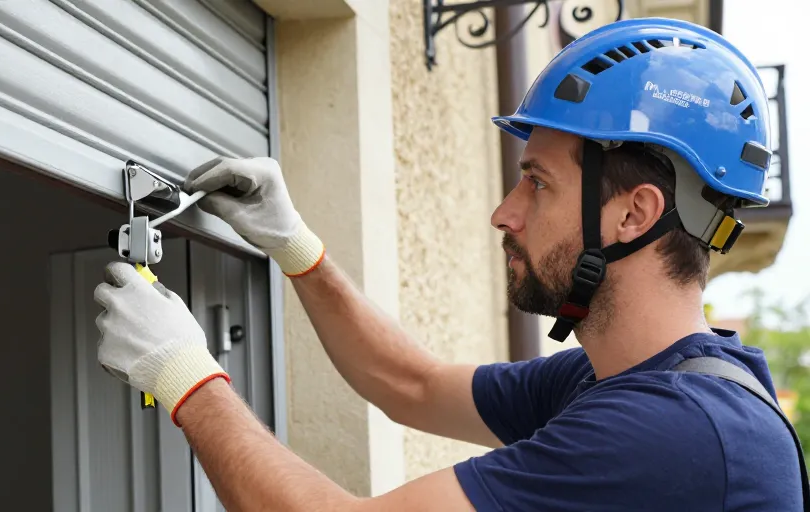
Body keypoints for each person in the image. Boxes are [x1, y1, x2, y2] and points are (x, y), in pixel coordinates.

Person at [92, 18, 806, 511]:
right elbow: (410, 383)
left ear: (633, 215)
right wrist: (295, 247)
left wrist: (185, 378)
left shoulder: (675, 431)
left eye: (537, 183)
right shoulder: (619, 382)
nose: (504, 213)